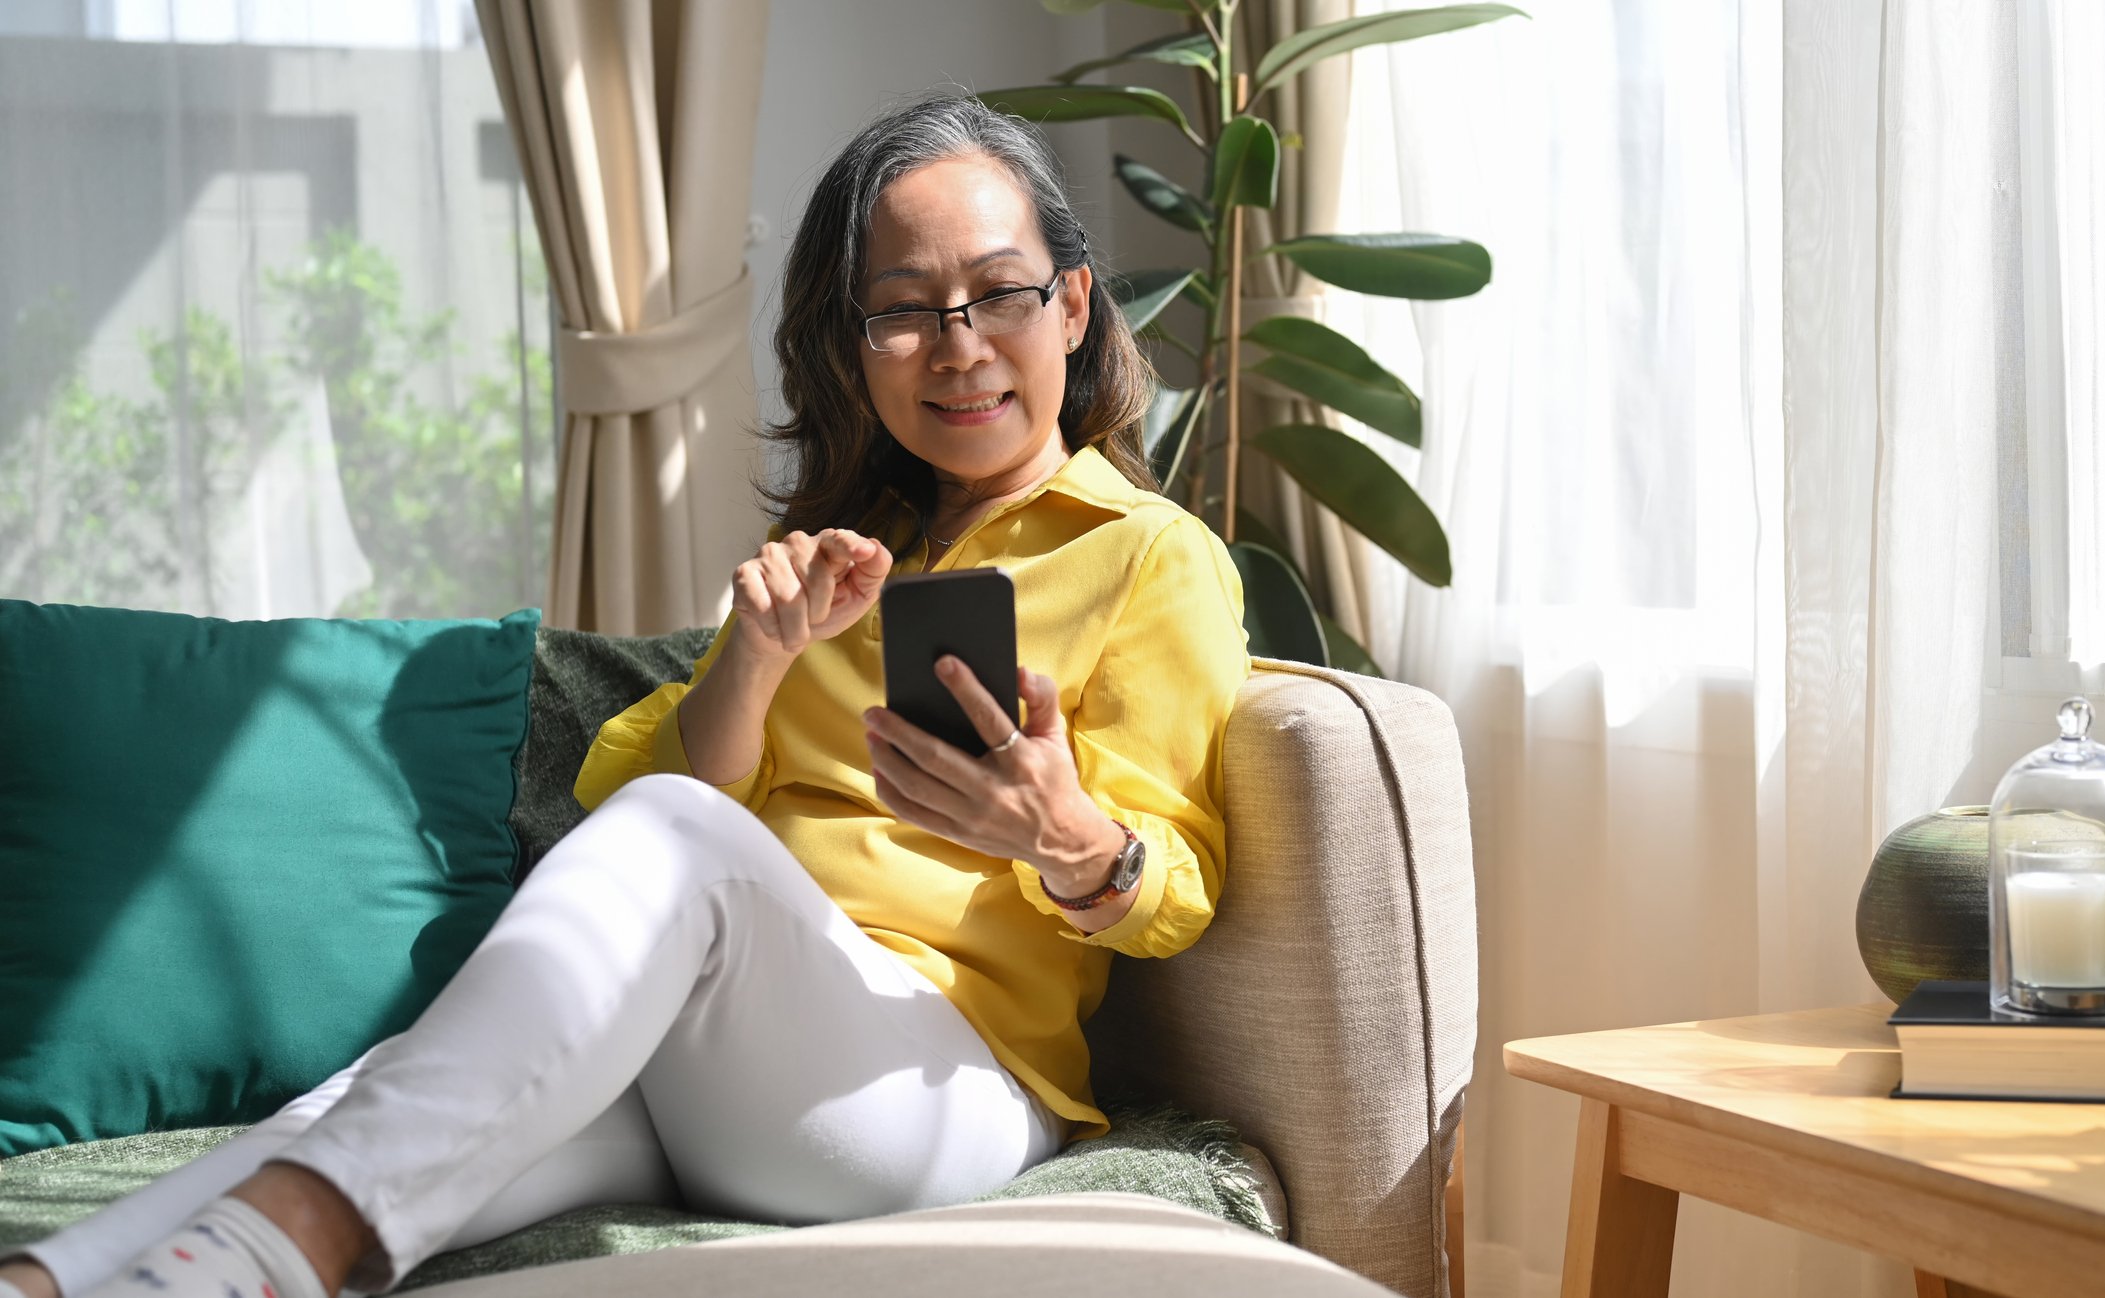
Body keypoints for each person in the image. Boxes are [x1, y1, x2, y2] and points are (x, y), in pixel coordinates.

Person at [0, 92, 1248, 1298]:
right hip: (730, 1064)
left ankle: (287, 1246)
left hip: (939, 1087)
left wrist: (1068, 834)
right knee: (402, 1092)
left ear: (1074, 305)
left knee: (678, 842)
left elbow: (1178, 890)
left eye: (999, 293)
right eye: (905, 310)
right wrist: (756, 654)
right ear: (856, 346)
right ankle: (58, 1275)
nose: (961, 342)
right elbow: (659, 804)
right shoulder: (839, 556)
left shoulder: (1152, 555)